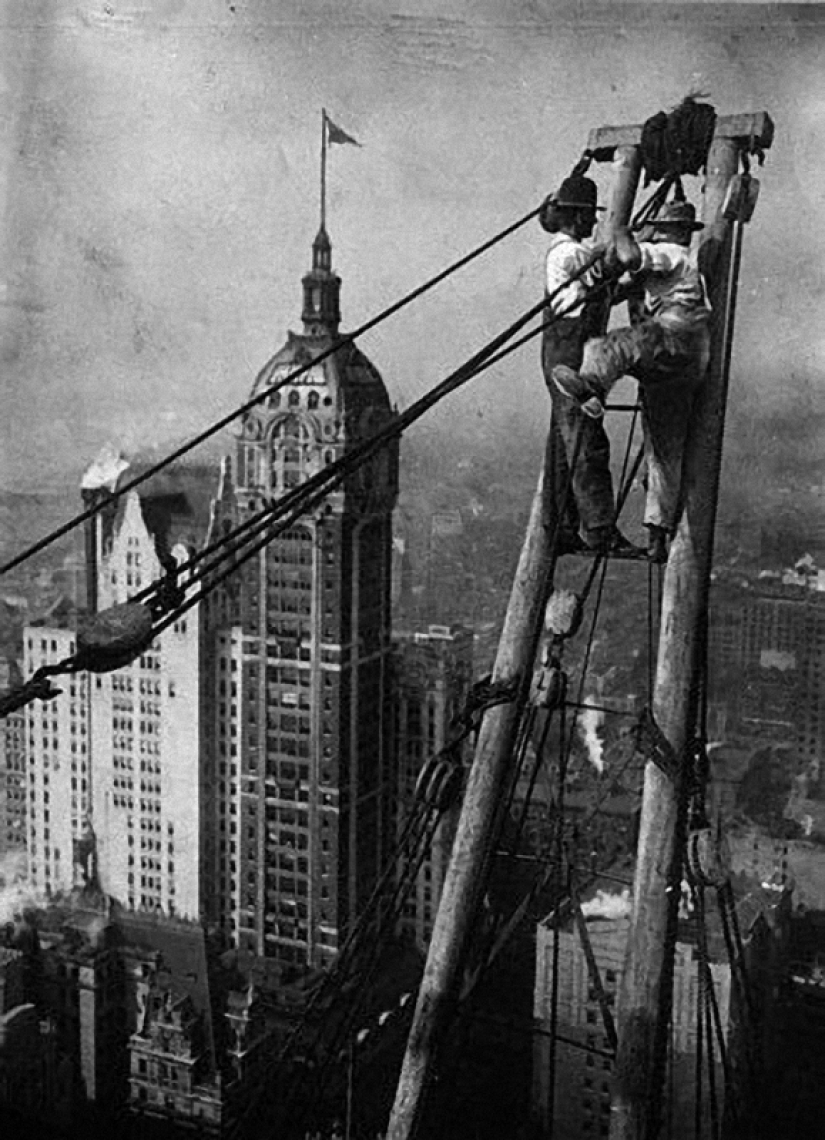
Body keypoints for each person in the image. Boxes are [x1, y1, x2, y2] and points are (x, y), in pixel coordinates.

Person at [551, 199, 711, 562]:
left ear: (668, 231)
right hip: (686, 360)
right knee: (664, 450)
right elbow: (619, 286)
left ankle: (591, 385)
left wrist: (625, 229)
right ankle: (658, 536)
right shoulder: (681, 266)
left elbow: (626, 254)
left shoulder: (671, 253)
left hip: (674, 336)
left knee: (612, 345)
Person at [540, 174, 641, 556]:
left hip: (562, 353)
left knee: (564, 444)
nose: (592, 223)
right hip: (572, 358)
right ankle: (598, 528)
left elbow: (604, 290)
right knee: (587, 441)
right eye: (588, 216)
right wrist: (631, 240)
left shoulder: (566, 254)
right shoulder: (571, 254)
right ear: (575, 216)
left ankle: (561, 526)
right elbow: (611, 264)